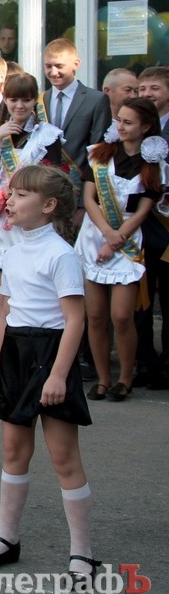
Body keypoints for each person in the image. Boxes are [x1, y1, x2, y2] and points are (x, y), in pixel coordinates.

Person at [0, 164, 96, 587]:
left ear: (48, 205)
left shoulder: (61, 254)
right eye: (11, 192)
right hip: (16, 355)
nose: (10, 199)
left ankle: (82, 551)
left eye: (21, 195)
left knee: (63, 457)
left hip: (51, 355)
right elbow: (7, 311)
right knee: (13, 451)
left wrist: (58, 376)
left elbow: (75, 320)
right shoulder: (11, 250)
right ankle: (7, 538)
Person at [0, 74, 69, 364]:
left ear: (34, 101)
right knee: (3, 297)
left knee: (31, 291)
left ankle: (32, 352)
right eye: (13, 99)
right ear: (6, 99)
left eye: (26, 99)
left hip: (32, 221)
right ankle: (3, 358)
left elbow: (53, 178)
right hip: (2, 220)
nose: (19, 106)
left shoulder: (47, 134)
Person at [75, 98, 163, 402]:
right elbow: (89, 199)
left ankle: (125, 378)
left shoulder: (153, 164)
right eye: (119, 120)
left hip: (128, 241)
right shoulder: (100, 154)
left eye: (128, 122)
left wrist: (116, 238)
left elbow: (144, 209)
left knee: (122, 315)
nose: (121, 127)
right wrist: (107, 233)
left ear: (146, 126)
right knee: (96, 315)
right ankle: (103, 379)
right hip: (94, 235)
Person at [136, 67, 169, 388]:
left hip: (167, 227)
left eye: (154, 88)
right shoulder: (132, 128)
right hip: (139, 226)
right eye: (142, 88)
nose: (147, 93)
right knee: (140, 302)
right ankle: (144, 363)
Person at [42, 38, 110, 179]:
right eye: (48, 66)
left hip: (80, 182)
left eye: (59, 66)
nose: (53, 72)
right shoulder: (40, 100)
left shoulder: (96, 100)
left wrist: (90, 185)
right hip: (45, 181)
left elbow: (99, 149)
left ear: (76, 64)